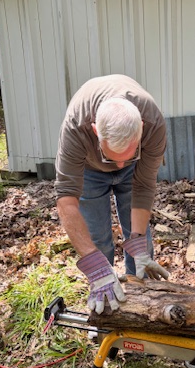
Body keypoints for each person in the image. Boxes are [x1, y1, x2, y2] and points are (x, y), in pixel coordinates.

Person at [55, 74, 170, 315]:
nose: (118, 166)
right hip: (90, 171)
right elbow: (66, 199)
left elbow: (144, 185)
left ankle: (139, 304)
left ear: (142, 129)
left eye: (127, 155)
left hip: (134, 174)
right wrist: (93, 264)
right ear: (96, 131)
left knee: (141, 245)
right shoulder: (77, 125)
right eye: (112, 157)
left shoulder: (153, 123)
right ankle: (104, 307)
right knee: (98, 241)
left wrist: (137, 240)